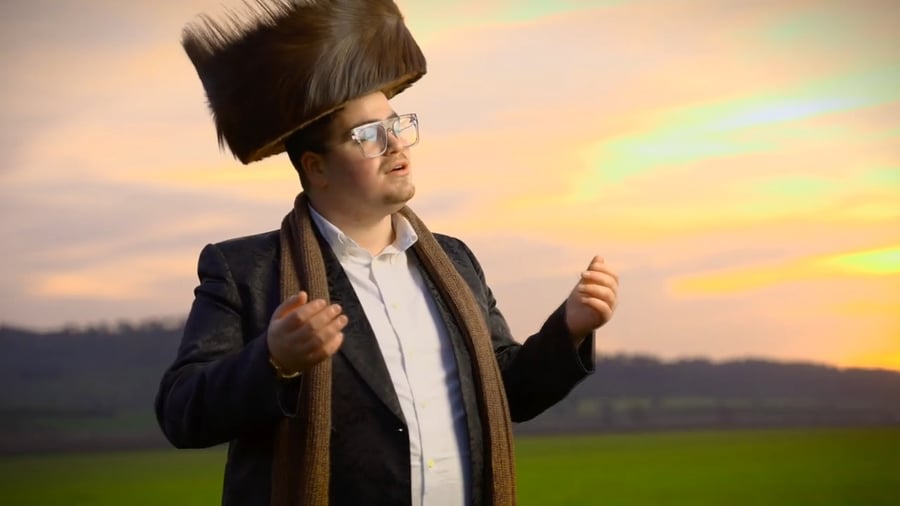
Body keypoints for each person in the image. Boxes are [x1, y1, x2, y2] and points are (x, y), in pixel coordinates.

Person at [155, 1, 619, 505]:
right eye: (369, 135)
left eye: (396, 125)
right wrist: (273, 360)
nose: (397, 144)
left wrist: (569, 329)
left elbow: (507, 392)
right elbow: (182, 412)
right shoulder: (246, 271)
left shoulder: (455, 261)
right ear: (316, 167)